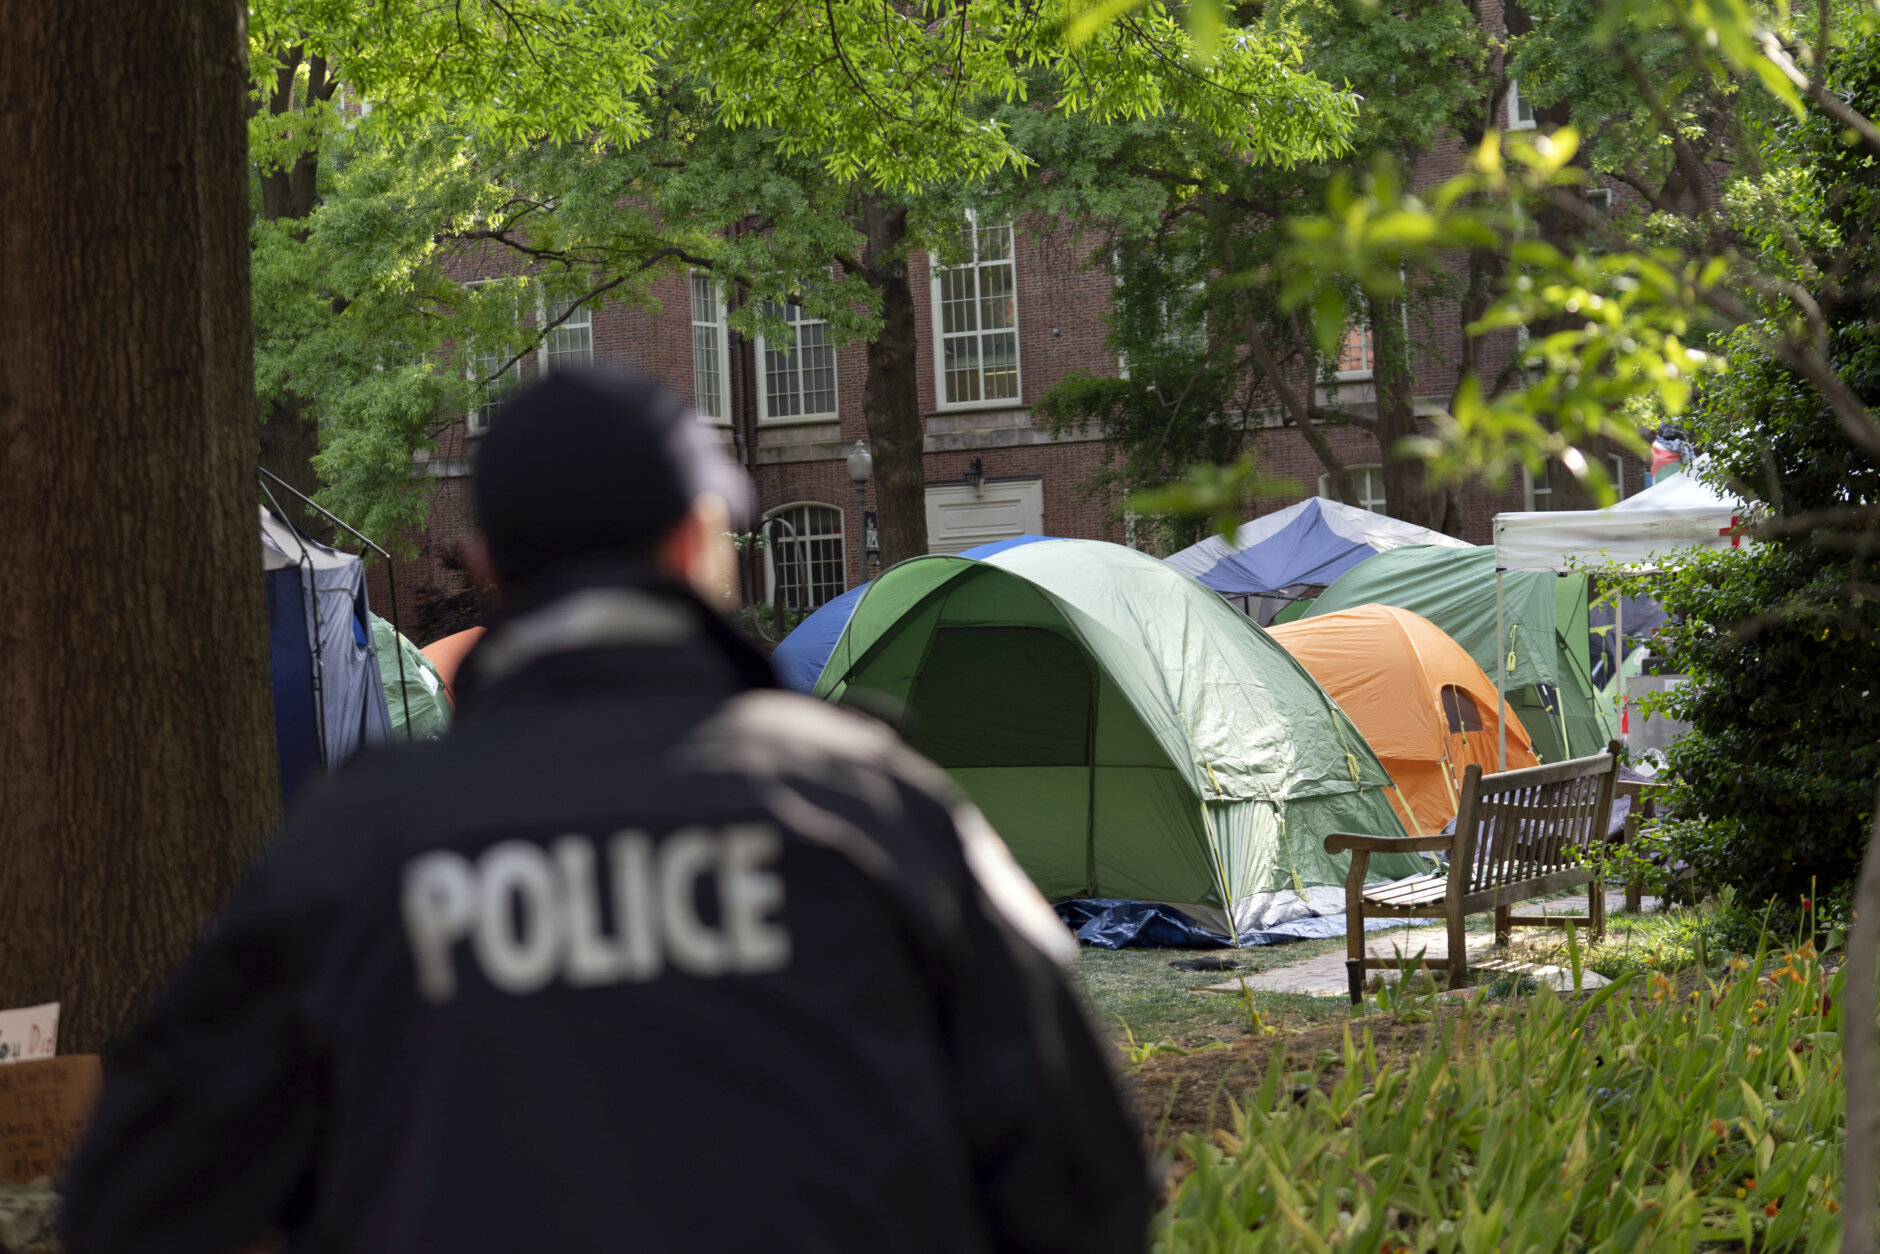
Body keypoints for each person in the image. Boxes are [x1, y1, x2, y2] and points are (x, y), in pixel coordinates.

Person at [62, 368, 1151, 1254]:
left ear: (488, 562)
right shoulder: (871, 809)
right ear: (692, 539)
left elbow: (137, 1196)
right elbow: (1086, 1179)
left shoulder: (356, 848)